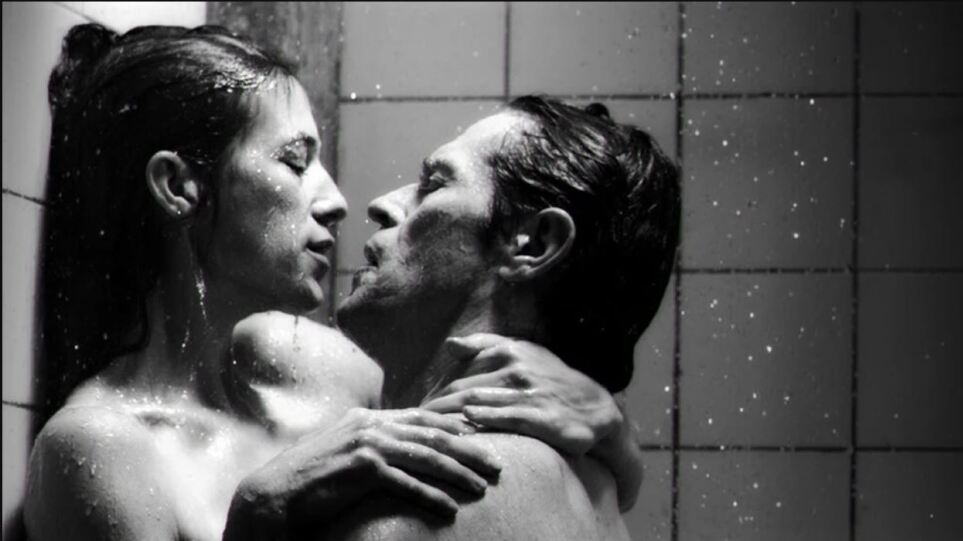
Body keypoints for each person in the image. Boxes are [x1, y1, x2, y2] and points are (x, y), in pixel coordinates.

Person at [23, 24, 642, 541]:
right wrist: (257, 515)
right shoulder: (101, 450)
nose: (338, 200)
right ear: (180, 186)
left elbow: (481, 406)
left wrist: (611, 426)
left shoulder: (311, 370)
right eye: (295, 162)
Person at [306, 96, 681, 539]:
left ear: (533, 244)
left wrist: (255, 514)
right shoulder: (590, 487)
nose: (381, 204)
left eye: (434, 185)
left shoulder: (437, 497)